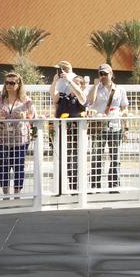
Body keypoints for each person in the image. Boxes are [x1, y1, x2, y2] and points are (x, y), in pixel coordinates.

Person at [0, 71, 35, 195]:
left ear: (18, 84)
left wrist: (25, 116)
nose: (9, 85)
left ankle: (17, 194)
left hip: (20, 138)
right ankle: (6, 194)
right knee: (4, 166)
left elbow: (33, 117)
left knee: (18, 166)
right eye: (7, 82)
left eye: (12, 83)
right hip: (3, 138)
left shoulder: (26, 100)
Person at [87, 63, 129, 190]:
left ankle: (114, 185)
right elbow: (89, 101)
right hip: (99, 127)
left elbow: (125, 108)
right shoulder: (95, 89)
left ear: (111, 74)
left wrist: (125, 128)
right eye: (101, 74)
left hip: (115, 125)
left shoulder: (120, 90)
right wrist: (95, 85)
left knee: (115, 156)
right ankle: (95, 185)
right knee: (96, 156)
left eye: (106, 74)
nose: (103, 76)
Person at [51, 61, 86, 192]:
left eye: (78, 83)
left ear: (81, 86)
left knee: (75, 159)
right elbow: (53, 96)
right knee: (62, 157)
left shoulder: (82, 97)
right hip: (62, 131)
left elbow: (82, 98)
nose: (73, 84)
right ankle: (61, 187)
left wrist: (70, 81)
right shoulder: (64, 96)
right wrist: (55, 81)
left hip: (76, 132)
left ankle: (75, 187)